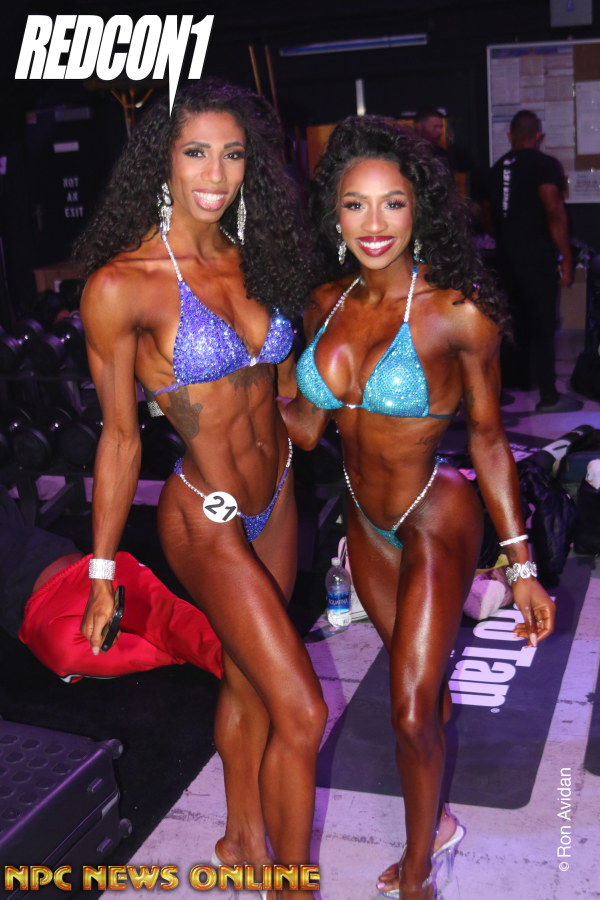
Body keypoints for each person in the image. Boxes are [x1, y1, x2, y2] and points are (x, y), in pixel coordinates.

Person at [279, 115, 556, 900]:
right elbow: (307, 427)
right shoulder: (324, 303)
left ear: (419, 209)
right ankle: (438, 809)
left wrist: (522, 564)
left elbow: (490, 440)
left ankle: (419, 869)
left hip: (436, 516)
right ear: (334, 214)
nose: (374, 224)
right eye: (355, 204)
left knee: (406, 711)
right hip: (364, 524)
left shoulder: (457, 310)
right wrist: (241, 386)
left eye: (392, 203)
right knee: (423, 693)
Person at [73, 78, 326, 899]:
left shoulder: (262, 257)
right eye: (196, 152)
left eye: (233, 154)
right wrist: (102, 573)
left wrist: (345, 376)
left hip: (278, 497)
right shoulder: (124, 284)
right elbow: (119, 439)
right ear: (163, 160)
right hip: (205, 513)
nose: (216, 173)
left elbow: (287, 401)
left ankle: (239, 833)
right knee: (302, 710)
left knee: (249, 678)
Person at [0, 485, 222, 681]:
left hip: (80, 573)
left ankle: (233, 663)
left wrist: (101, 573)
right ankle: (232, 663)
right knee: (179, 634)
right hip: (43, 617)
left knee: (176, 627)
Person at [487, 109, 581, 412]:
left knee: (506, 326)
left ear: (510, 135)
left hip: (504, 259)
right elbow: (554, 211)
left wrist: (504, 236)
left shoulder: (496, 168)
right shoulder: (544, 165)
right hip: (537, 259)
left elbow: (480, 210)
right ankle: (549, 397)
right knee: (542, 326)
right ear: (538, 135)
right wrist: (566, 258)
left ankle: (498, 392)